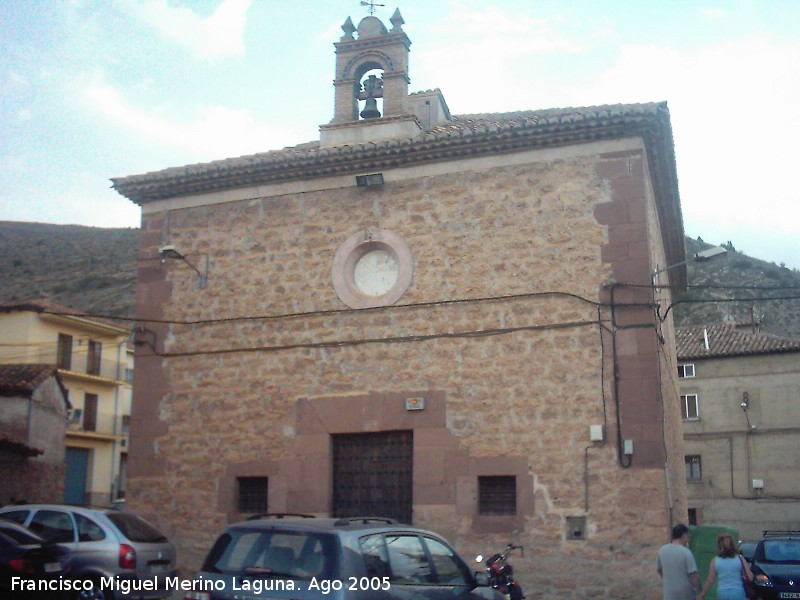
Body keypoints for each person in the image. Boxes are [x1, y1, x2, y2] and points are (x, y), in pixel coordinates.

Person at [697, 533, 754, 600]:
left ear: (719, 545)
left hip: (723, 592)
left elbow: (710, 580)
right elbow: (750, 577)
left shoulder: (715, 560)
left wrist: (702, 594)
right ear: (733, 544)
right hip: (738, 592)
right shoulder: (740, 558)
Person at [657, 523, 701, 600]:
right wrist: (700, 593)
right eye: (688, 536)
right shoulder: (686, 552)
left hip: (669, 595)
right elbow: (693, 576)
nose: (688, 539)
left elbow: (659, 570)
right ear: (683, 536)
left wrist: (669, 579)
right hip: (686, 595)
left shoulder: (662, 550)